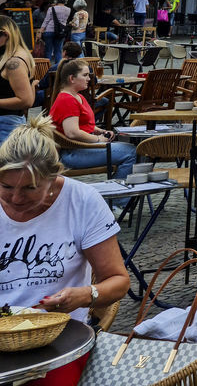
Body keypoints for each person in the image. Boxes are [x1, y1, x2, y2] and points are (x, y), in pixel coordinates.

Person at [0, 117, 129, 385]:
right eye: (6, 187)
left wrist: (84, 295)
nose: (15, 198)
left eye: (29, 188)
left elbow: (118, 281)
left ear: (52, 180)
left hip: (57, 338)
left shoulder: (81, 200)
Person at [50, 59, 136, 178]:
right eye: (85, 75)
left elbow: (83, 125)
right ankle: (120, 194)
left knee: (132, 149)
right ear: (72, 79)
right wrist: (98, 139)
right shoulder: (67, 100)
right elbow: (72, 132)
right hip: (72, 154)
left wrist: (100, 131)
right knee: (132, 152)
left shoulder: (77, 96)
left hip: (79, 149)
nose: (89, 79)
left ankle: (123, 192)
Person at [0, 16, 36, 146]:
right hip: (11, 123)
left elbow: (26, 100)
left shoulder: (14, 62)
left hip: (6, 124)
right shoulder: (18, 54)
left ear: (5, 34)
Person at [40, 0, 72, 68]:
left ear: (56, 0)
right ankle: (58, 69)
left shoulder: (51, 9)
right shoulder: (68, 9)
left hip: (49, 30)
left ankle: (46, 68)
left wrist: (41, 31)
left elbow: (47, 20)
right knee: (58, 50)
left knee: (48, 50)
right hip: (61, 31)